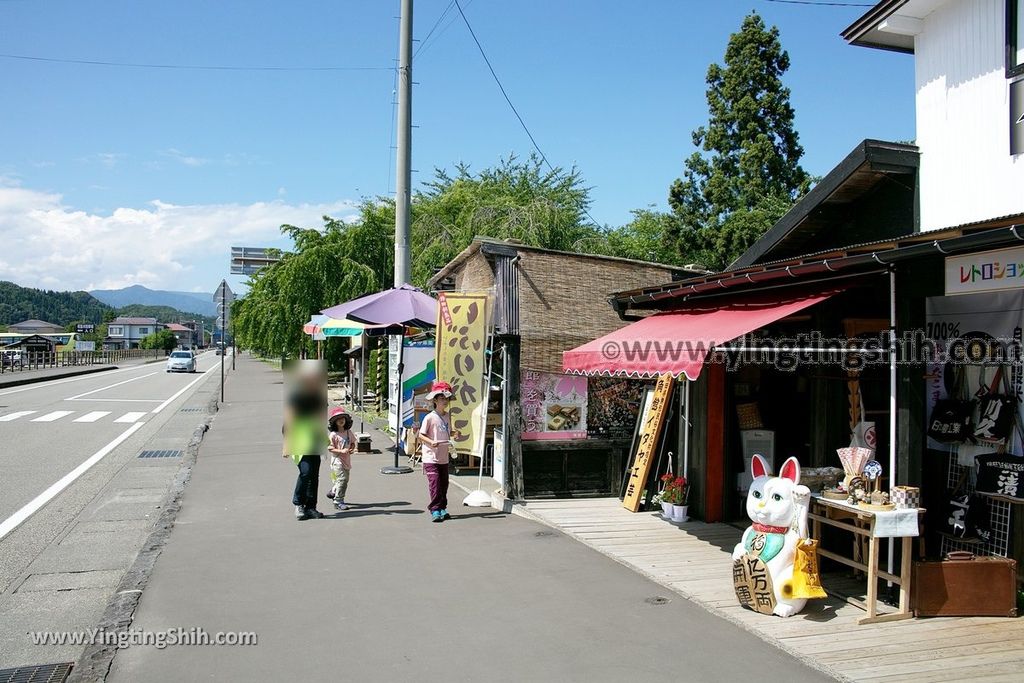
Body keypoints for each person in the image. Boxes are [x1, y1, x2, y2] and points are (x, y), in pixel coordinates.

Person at [282, 360, 329, 520]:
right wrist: (286, 445)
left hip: (315, 437)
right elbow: (289, 420)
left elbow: (321, 418)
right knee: (306, 471)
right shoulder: (296, 396)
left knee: (314, 474)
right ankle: (298, 504)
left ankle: (311, 507)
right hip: (299, 439)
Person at [418, 381, 461, 523]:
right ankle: (435, 509)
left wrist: (455, 433)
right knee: (435, 483)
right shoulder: (429, 417)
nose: (445, 401)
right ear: (435, 400)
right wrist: (431, 442)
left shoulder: (448, 416)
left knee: (444, 484)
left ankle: (442, 507)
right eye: (441, 398)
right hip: (430, 457)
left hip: (443, 456)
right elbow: (421, 435)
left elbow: (447, 432)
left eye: (446, 398)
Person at [327, 408, 355, 510]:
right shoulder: (333, 435)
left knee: (344, 480)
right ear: (334, 422)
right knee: (342, 480)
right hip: (337, 461)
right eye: (338, 419)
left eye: (342, 418)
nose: (341, 420)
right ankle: (338, 501)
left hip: (346, 461)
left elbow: (352, 443)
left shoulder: (348, 432)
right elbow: (330, 448)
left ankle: (334, 490)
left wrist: (351, 448)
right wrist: (341, 451)